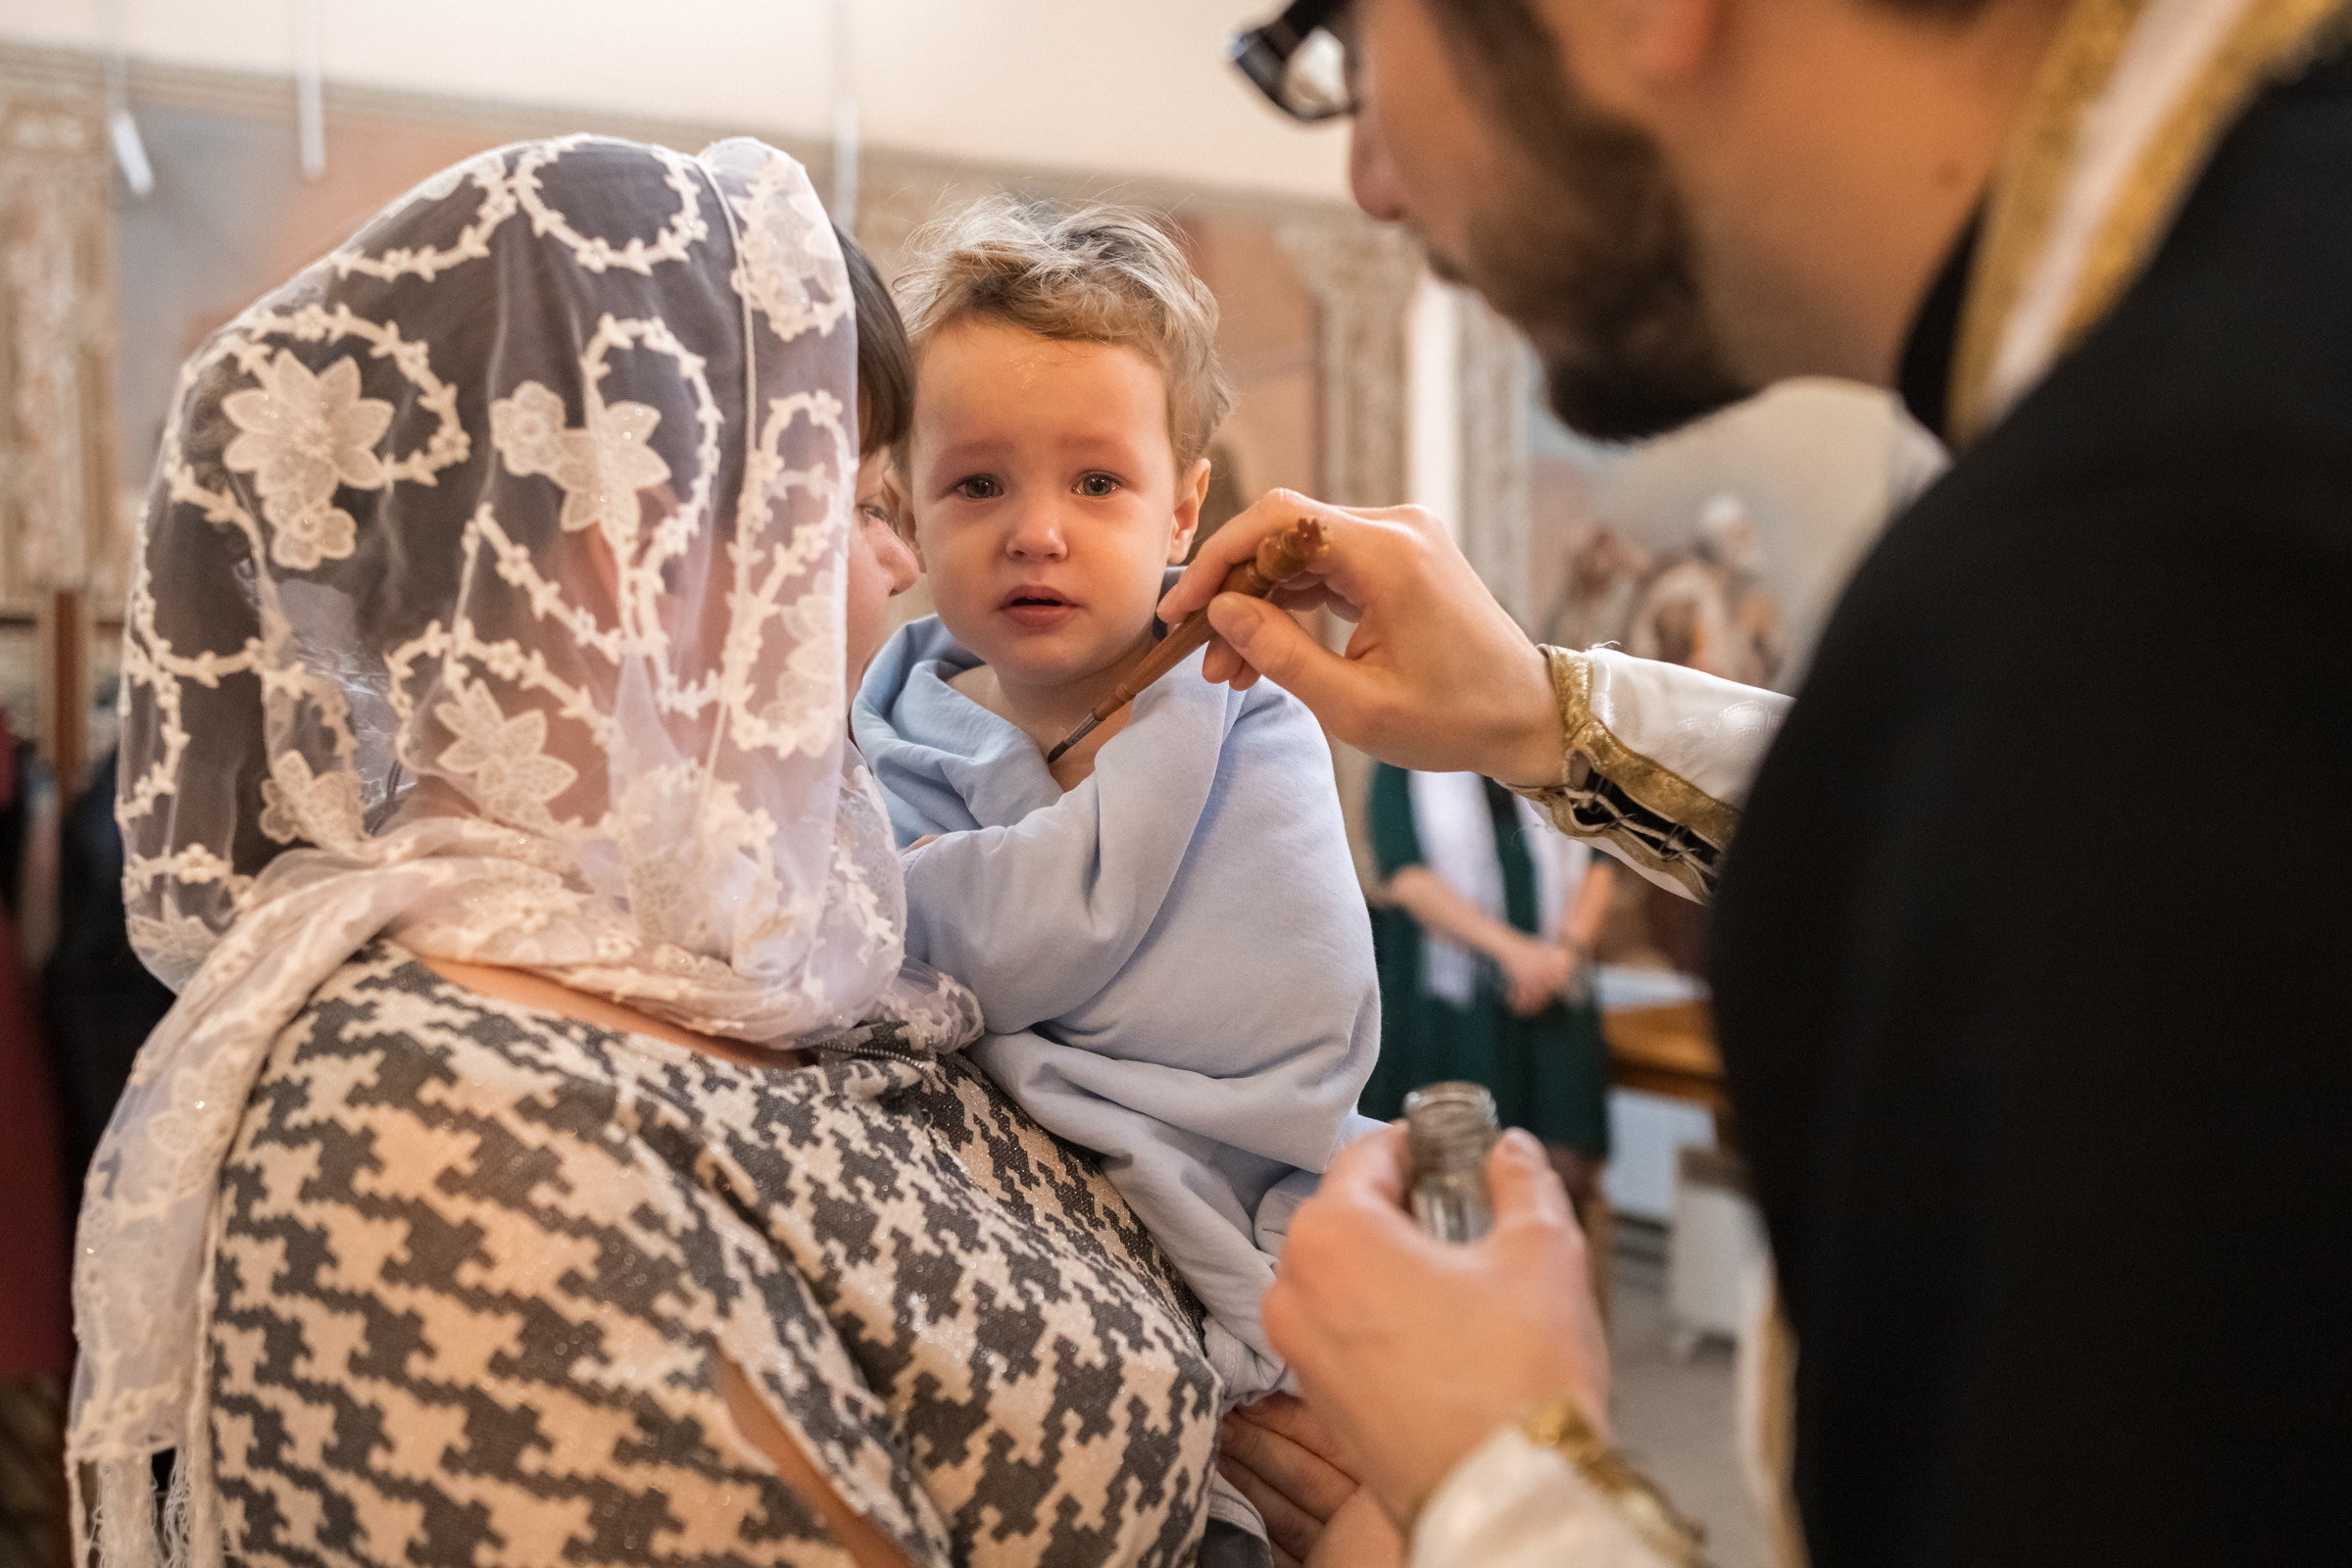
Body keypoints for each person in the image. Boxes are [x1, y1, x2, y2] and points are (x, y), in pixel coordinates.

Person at [1169, 0, 2352, 1564]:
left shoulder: (2125, 585)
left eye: (1349, 42)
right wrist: (1545, 716)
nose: (1372, 182)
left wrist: (1495, 1486)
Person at [71, 137, 1239, 1568]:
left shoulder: (746, 958)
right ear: (644, 533)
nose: (899, 566)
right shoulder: (447, 1133)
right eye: (856, 503)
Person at [850, 199, 1380, 1493]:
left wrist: (898, 919)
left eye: (1097, 483)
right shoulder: (884, 731)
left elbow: (1292, 1001)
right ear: (907, 506)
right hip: (1014, 1261)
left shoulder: (1243, 717)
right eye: (978, 483)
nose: (1037, 529)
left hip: (1241, 1192)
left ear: (1184, 508)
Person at [1362, 762, 1614, 1227]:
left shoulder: (1560, 752)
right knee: (1454, 1178)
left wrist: (1566, 953)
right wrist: (1514, 954)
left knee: (1565, 1172)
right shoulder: (1403, 756)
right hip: (1454, 1007)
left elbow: (1605, 853)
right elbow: (1403, 875)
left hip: (1558, 991)